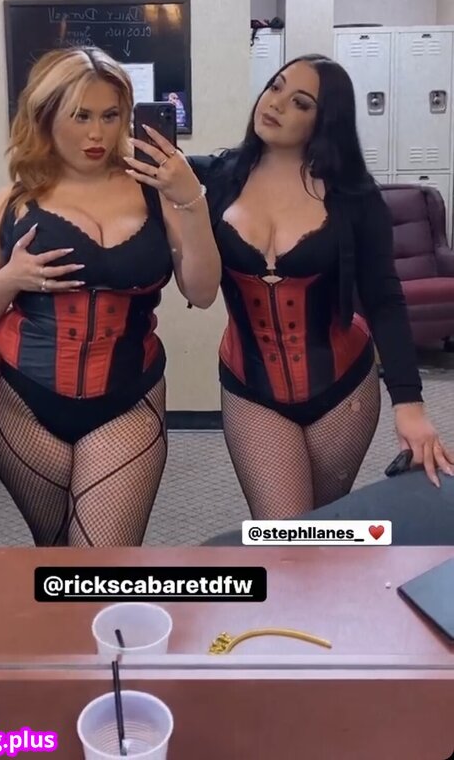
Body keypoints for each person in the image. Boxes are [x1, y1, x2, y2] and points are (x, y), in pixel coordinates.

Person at [0, 47, 219, 546]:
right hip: (22, 400)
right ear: (46, 116)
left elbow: (203, 292)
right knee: (57, 550)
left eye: (110, 115)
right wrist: (10, 279)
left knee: (102, 557)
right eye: (80, 116)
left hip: (128, 397)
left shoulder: (157, 191)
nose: (97, 134)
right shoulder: (11, 202)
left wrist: (192, 199)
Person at [189, 54, 454, 520]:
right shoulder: (215, 178)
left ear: (325, 120)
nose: (276, 104)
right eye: (275, 87)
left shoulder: (354, 195)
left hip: (342, 389)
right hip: (251, 387)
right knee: (284, 533)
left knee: (322, 530)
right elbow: (121, 169)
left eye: (301, 102)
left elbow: (384, 300)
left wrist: (409, 403)